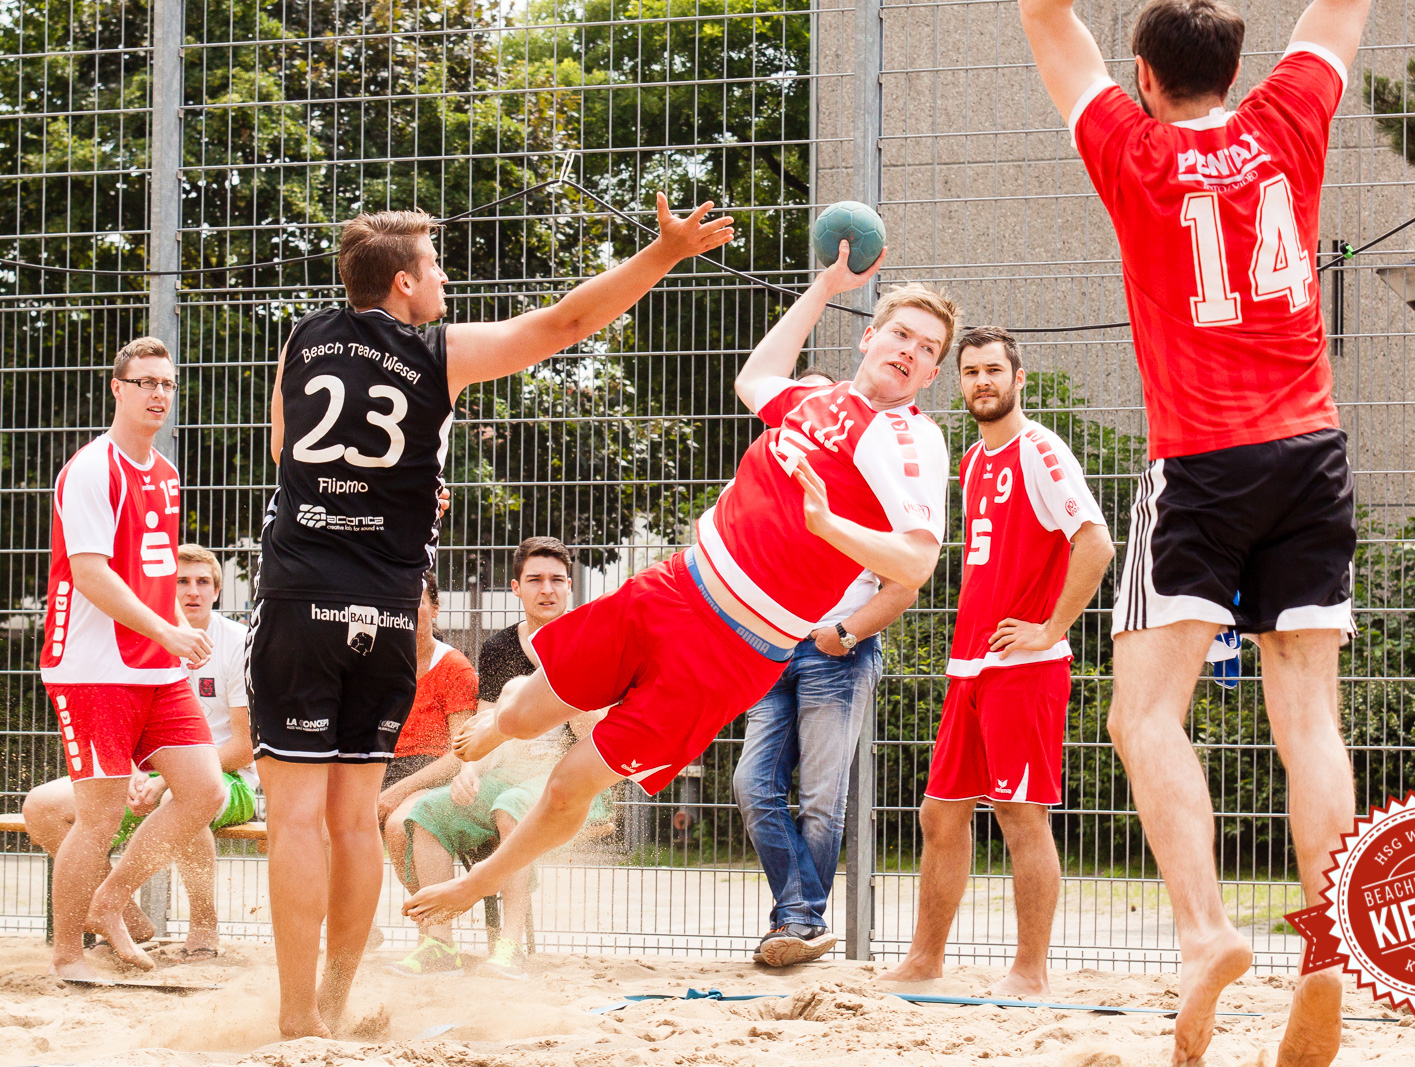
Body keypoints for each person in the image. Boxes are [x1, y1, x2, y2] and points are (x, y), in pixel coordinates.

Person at [249, 197, 735, 1039]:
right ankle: (330, 1004)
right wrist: (662, 253)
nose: (444, 278)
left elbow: (283, 453)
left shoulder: (301, 340)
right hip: (390, 608)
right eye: (435, 267)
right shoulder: (440, 353)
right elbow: (567, 320)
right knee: (350, 817)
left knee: (294, 817)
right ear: (403, 283)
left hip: (298, 591)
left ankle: (296, 1019)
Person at [401, 250, 958, 937]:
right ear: (869, 337)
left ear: (931, 375)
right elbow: (755, 376)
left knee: (576, 776)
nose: (910, 350)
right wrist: (822, 286)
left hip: (732, 651)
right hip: (674, 586)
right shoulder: (818, 400)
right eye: (901, 333)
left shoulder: (912, 440)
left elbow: (917, 560)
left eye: (927, 348)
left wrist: (828, 525)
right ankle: (500, 722)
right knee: (525, 714)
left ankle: (479, 884)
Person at [1019, 0, 1368, 1060]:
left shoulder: (1132, 147)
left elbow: (1042, 15)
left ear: (1142, 72)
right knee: (1308, 716)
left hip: (1203, 460)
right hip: (1312, 451)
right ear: (1237, 62)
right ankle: (1327, 939)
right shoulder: (1290, 116)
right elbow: (1341, 10)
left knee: (1144, 717)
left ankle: (1203, 928)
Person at [878, 327, 1114, 996]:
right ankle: (924, 959)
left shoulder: (1039, 448)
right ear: (959, 381)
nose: (983, 380)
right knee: (941, 813)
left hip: (1023, 667)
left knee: (1020, 815)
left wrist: (1050, 627)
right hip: (969, 665)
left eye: (993, 370)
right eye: (971, 371)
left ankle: (1029, 972)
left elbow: (1094, 542)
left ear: (1018, 378)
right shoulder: (976, 461)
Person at [33, 338, 225, 979]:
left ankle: (110, 901)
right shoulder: (90, 469)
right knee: (99, 816)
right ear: (117, 388)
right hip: (91, 668)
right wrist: (170, 633)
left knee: (204, 792)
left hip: (154, 666)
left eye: (167, 384)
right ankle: (66, 959)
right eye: (144, 382)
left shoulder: (165, 473)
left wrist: (172, 630)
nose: (158, 394)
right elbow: (90, 574)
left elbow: (156, 573)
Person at [732, 371, 918, 967]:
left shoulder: (869, 482)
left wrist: (846, 632)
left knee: (819, 796)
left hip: (838, 650)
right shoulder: (775, 487)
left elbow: (906, 580)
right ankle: (800, 918)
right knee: (750, 785)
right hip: (772, 647)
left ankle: (797, 922)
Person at [25, 543, 256, 963]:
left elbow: (244, 747)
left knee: (185, 795)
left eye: (202, 582)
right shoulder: (135, 639)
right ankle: (127, 918)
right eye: (180, 581)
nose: (192, 591)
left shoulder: (238, 644)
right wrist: (132, 770)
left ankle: (203, 926)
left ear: (217, 591)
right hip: (147, 772)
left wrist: (163, 778)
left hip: (230, 779)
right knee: (41, 806)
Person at [386, 721, 614, 980]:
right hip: (507, 773)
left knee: (511, 807)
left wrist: (572, 697)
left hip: (578, 776)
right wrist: (468, 768)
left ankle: (510, 945)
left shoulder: (586, 681)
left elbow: (601, 739)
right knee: (427, 810)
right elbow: (481, 728)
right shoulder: (502, 678)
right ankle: (440, 944)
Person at [374, 570, 479, 830]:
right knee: (326, 826)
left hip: (428, 778)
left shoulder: (454, 667)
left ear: (435, 609)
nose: (406, 609)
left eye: (416, 600)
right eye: (398, 601)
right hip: (377, 771)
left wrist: (398, 791)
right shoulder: (376, 664)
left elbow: (461, 753)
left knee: (402, 826)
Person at [472, 536, 576, 710]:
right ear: (516, 587)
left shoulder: (593, 639)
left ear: (569, 585)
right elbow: (484, 723)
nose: (547, 590)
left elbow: (603, 726)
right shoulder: (498, 649)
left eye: (557, 580)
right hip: (516, 735)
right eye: (535, 580)